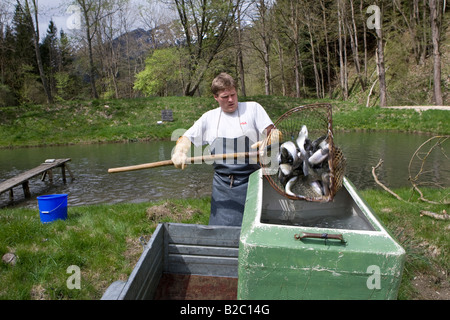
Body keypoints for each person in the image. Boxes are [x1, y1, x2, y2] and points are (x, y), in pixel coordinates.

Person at [171, 73, 279, 226]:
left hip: (254, 181)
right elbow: (186, 138)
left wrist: (268, 141)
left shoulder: (253, 108)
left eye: (233, 94)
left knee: (255, 227)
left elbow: (275, 133)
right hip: (223, 187)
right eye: (225, 96)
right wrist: (180, 151)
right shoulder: (209, 118)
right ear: (215, 97)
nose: (231, 100)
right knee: (221, 232)